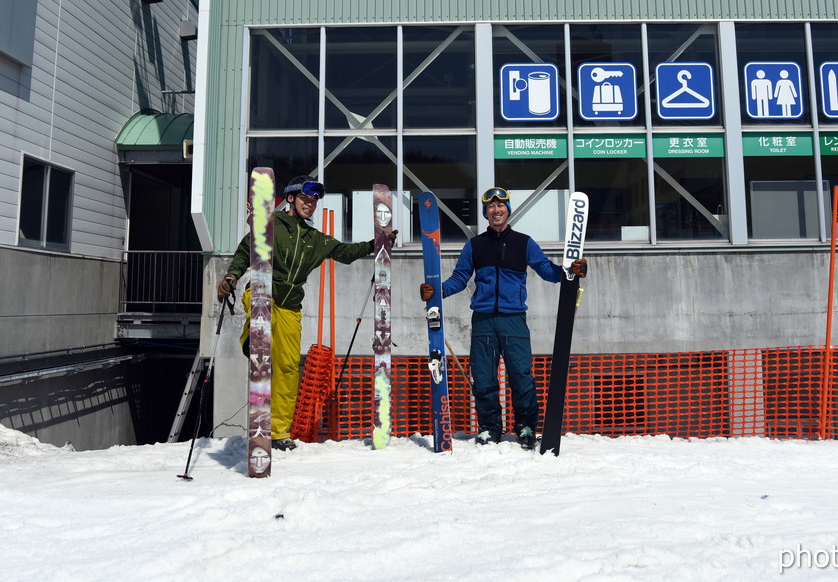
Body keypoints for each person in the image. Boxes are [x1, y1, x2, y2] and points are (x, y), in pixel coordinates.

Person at [218, 175, 395, 451]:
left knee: (288, 368)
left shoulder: (316, 239)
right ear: (290, 198)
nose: (309, 205)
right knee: (258, 314)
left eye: (313, 202)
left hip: (290, 305)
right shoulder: (271, 226)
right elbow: (244, 251)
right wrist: (231, 276)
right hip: (264, 292)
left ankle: (278, 432)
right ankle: (252, 341)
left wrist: (377, 243)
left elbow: (346, 252)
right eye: (304, 199)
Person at [419, 186, 587, 450]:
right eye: (490, 207)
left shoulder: (524, 242)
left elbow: (546, 269)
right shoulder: (474, 245)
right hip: (483, 320)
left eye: (501, 206)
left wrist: (570, 271)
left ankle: (526, 426)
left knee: (521, 375)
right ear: (485, 213)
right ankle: (489, 427)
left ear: (508, 210)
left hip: (514, 319)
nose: (496, 210)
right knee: (484, 378)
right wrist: (437, 291)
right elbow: (460, 279)